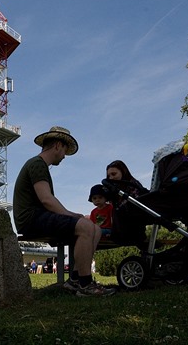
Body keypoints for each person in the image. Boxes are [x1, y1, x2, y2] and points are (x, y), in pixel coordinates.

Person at [13, 126, 115, 297]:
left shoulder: (39, 165)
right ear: (58, 145)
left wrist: (72, 216)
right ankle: (85, 285)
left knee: (94, 229)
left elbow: (47, 202)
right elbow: (47, 199)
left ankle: (74, 280)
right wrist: (70, 215)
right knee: (86, 227)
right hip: (31, 219)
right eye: (65, 151)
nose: (64, 156)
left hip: (38, 217)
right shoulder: (37, 164)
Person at [105, 160, 149, 246]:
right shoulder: (114, 189)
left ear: (123, 172)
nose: (111, 178)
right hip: (121, 228)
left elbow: (134, 205)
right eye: (109, 176)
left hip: (134, 226)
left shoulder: (133, 185)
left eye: (114, 174)